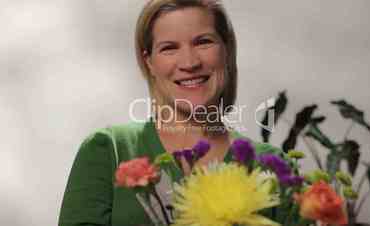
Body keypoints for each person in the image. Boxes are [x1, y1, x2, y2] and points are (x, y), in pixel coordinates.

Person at [58, 0, 280, 226]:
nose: (190, 62)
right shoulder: (109, 150)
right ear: (149, 63)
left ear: (227, 50)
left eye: (203, 42)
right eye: (169, 48)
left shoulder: (274, 165)